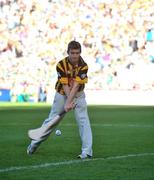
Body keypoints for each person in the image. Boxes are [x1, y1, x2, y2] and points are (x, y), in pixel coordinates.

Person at [27, 40, 93, 159]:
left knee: (84, 122)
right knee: (52, 121)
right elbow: (65, 85)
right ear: (68, 52)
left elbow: (77, 85)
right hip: (62, 94)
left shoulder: (84, 66)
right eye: (72, 53)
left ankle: (87, 152)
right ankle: (34, 144)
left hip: (79, 95)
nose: (75, 56)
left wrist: (70, 101)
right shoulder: (61, 65)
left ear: (80, 53)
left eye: (77, 53)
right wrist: (67, 102)